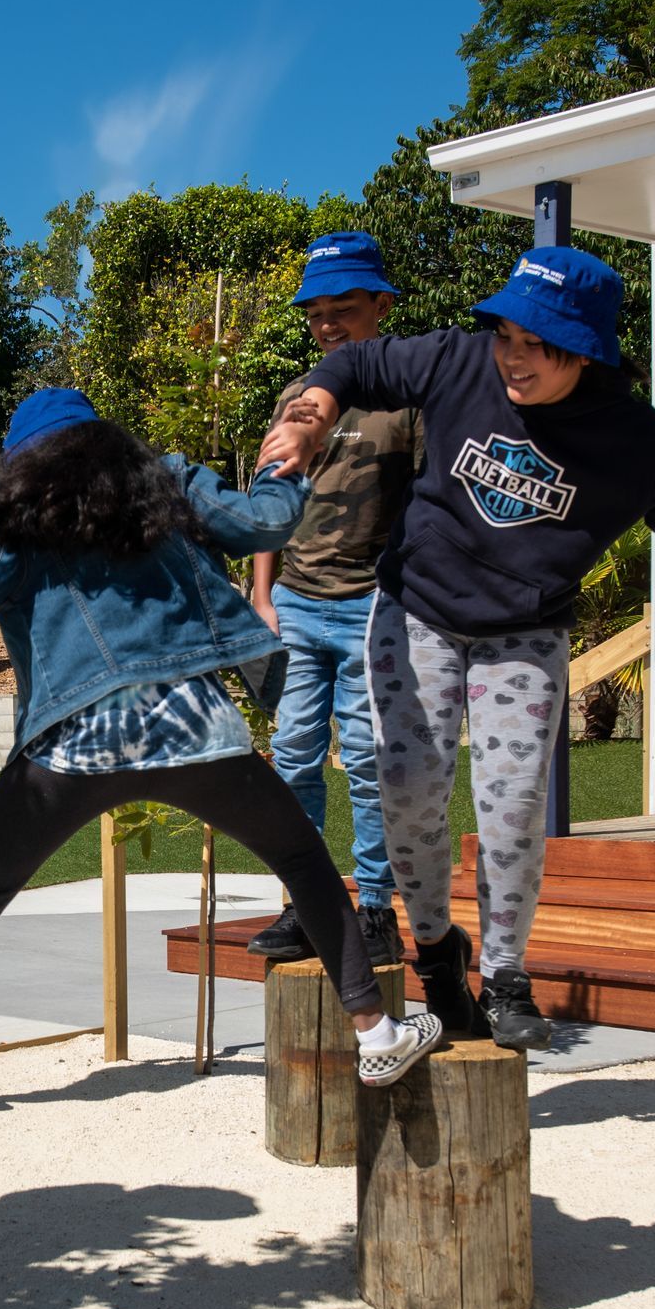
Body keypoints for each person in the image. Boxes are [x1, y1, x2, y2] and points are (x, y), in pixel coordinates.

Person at [0, 388, 445, 1137]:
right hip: (194, 730)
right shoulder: (168, 486)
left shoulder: (14, 530)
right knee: (301, 858)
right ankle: (376, 1036)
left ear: (20, 465)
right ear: (107, 442)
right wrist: (288, 459)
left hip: (73, 744)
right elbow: (267, 522)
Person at [276, 247, 655, 1051]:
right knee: (406, 783)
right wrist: (312, 412)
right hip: (419, 610)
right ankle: (437, 951)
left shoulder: (630, 439)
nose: (512, 357)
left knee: (509, 805)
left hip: (523, 631)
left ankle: (505, 970)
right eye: (506, 334)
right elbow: (359, 361)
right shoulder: (460, 362)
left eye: (535, 345)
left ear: (584, 349)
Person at [243, 231, 417, 971]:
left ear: (381, 304)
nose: (326, 325)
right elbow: (267, 500)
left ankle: (374, 909)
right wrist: (261, 594)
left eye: (343, 308)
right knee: (292, 759)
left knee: (373, 765)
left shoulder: (411, 396)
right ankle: (306, 904)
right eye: (315, 313)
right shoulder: (298, 397)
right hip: (298, 607)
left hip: (375, 606)